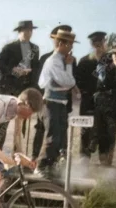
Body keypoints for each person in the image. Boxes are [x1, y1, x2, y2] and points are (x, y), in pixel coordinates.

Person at [36, 29, 77, 178]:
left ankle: (51, 167)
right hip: (51, 103)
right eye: (69, 44)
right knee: (53, 136)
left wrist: (68, 68)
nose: (71, 47)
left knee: (60, 137)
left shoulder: (62, 60)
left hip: (60, 103)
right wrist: (69, 67)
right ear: (60, 44)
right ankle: (41, 166)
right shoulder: (53, 61)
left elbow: (69, 83)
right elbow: (68, 82)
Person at [75, 31, 110, 162]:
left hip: (106, 102)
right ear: (92, 45)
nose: (98, 47)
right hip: (88, 101)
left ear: (104, 43)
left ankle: (104, 159)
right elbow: (78, 81)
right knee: (86, 130)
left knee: (104, 130)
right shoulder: (84, 61)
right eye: (96, 44)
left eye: (101, 43)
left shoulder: (110, 60)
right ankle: (84, 158)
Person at [0, 20, 40, 96]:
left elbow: (36, 67)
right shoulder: (9, 47)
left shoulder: (35, 48)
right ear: (19, 31)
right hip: (13, 87)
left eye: (30, 31)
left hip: (30, 87)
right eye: (26, 31)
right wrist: (13, 70)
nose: (29, 33)